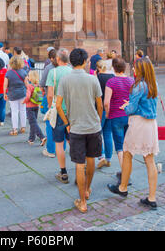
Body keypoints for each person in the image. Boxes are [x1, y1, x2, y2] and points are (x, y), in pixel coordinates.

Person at [107, 58, 160, 210]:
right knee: (150, 160)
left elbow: (131, 109)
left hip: (139, 124)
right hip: (151, 124)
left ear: (141, 69)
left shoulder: (138, 86)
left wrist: (125, 106)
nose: (134, 70)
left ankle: (123, 187)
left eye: (136, 68)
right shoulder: (153, 85)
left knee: (128, 153)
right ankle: (152, 197)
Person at [56, 48, 103, 214]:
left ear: (71, 61)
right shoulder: (92, 79)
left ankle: (82, 201)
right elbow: (100, 104)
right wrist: (98, 119)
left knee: (79, 164)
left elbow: (57, 105)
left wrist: (67, 123)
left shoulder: (65, 80)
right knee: (91, 159)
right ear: (84, 62)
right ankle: (88, 190)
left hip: (76, 126)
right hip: (93, 126)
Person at [46, 48, 72, 184]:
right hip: (72, 111)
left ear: (57, 59)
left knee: (59, 143)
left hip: (58, 110)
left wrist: (51, 107)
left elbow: (50, 94)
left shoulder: (53, 72)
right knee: (72, 141)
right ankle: (81, 166)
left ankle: (63, 172)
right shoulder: (73, 71)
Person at [104, 57, 134, 173]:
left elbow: (106, 102)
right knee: (128, 146)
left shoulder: (111, 82)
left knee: (119, 146)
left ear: (114, 68)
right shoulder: (131, 81)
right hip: (129, 116)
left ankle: (125, 174)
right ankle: (128, 170)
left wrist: (107, 113)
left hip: (116, 116)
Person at [96, 60, 114, 169]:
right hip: (111, 109)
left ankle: (101, 155)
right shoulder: (112, 76)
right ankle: (108, 158)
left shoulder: (98, 78)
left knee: (98, 133)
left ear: (98, 68)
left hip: (101, 108)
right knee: (108, 134)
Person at [4, 56, 29, 136]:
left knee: (14, 111)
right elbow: (27, 85)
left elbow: (5, 85)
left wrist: (4, 93)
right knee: (23, 110)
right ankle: (23, 127)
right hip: (22, 94)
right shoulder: (24, 72)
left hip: (12, 94)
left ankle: (14, 129)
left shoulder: (8, 73)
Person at [40, 49, 57, 158]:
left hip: (50, 97)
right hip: (63, 98)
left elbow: (42, 83)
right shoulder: (67, 68)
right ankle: (61, 149)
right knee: (62, 124)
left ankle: (51, 150)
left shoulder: (49, 68)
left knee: (50, 124)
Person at [22, 70, 46, 146]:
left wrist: (24, 101)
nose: (28, 77)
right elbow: (42, 93)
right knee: (33, 122)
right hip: (36, 106)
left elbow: (28, 96)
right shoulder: (38, 85)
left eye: (28, 76)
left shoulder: (30, 86)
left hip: (29, 107)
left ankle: (42, 137)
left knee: (33, 123)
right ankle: (31, 138)